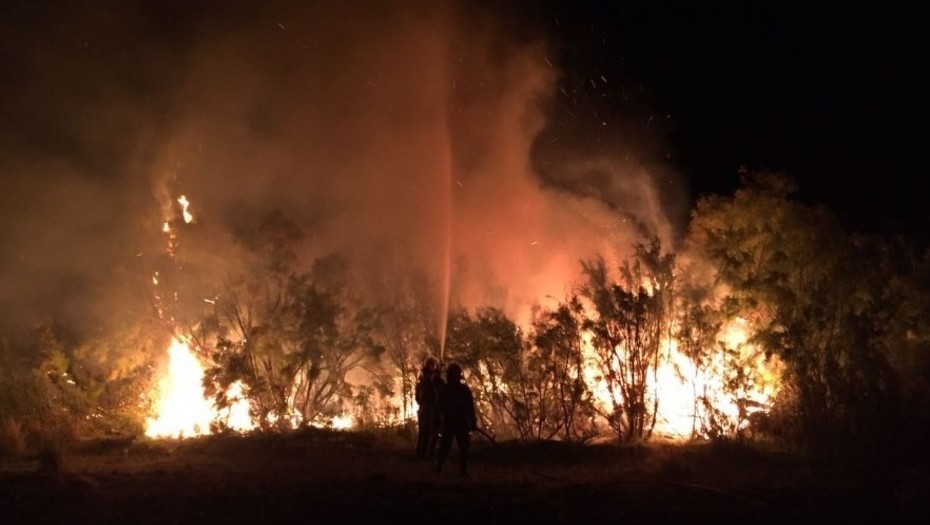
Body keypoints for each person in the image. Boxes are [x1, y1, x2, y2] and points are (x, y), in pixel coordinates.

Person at [435, 362, 478, 477]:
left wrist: (437, 421)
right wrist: (472, 421)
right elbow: (470, 408)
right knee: (458, 446)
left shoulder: (446, 389)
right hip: (458, 422)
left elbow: (439, 407)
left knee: (451, 446)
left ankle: (442, 467)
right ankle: (458, 470)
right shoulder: (462, 389)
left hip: (453, 422)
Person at [414, 357, 442, 460]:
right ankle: (426, 454)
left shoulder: (420, 383)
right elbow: (436, 396)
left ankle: (420, 453)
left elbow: (417, 398)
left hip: (422, 410)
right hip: (430, 411)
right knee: (429, 432)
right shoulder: (430, 383)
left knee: (423, 432)